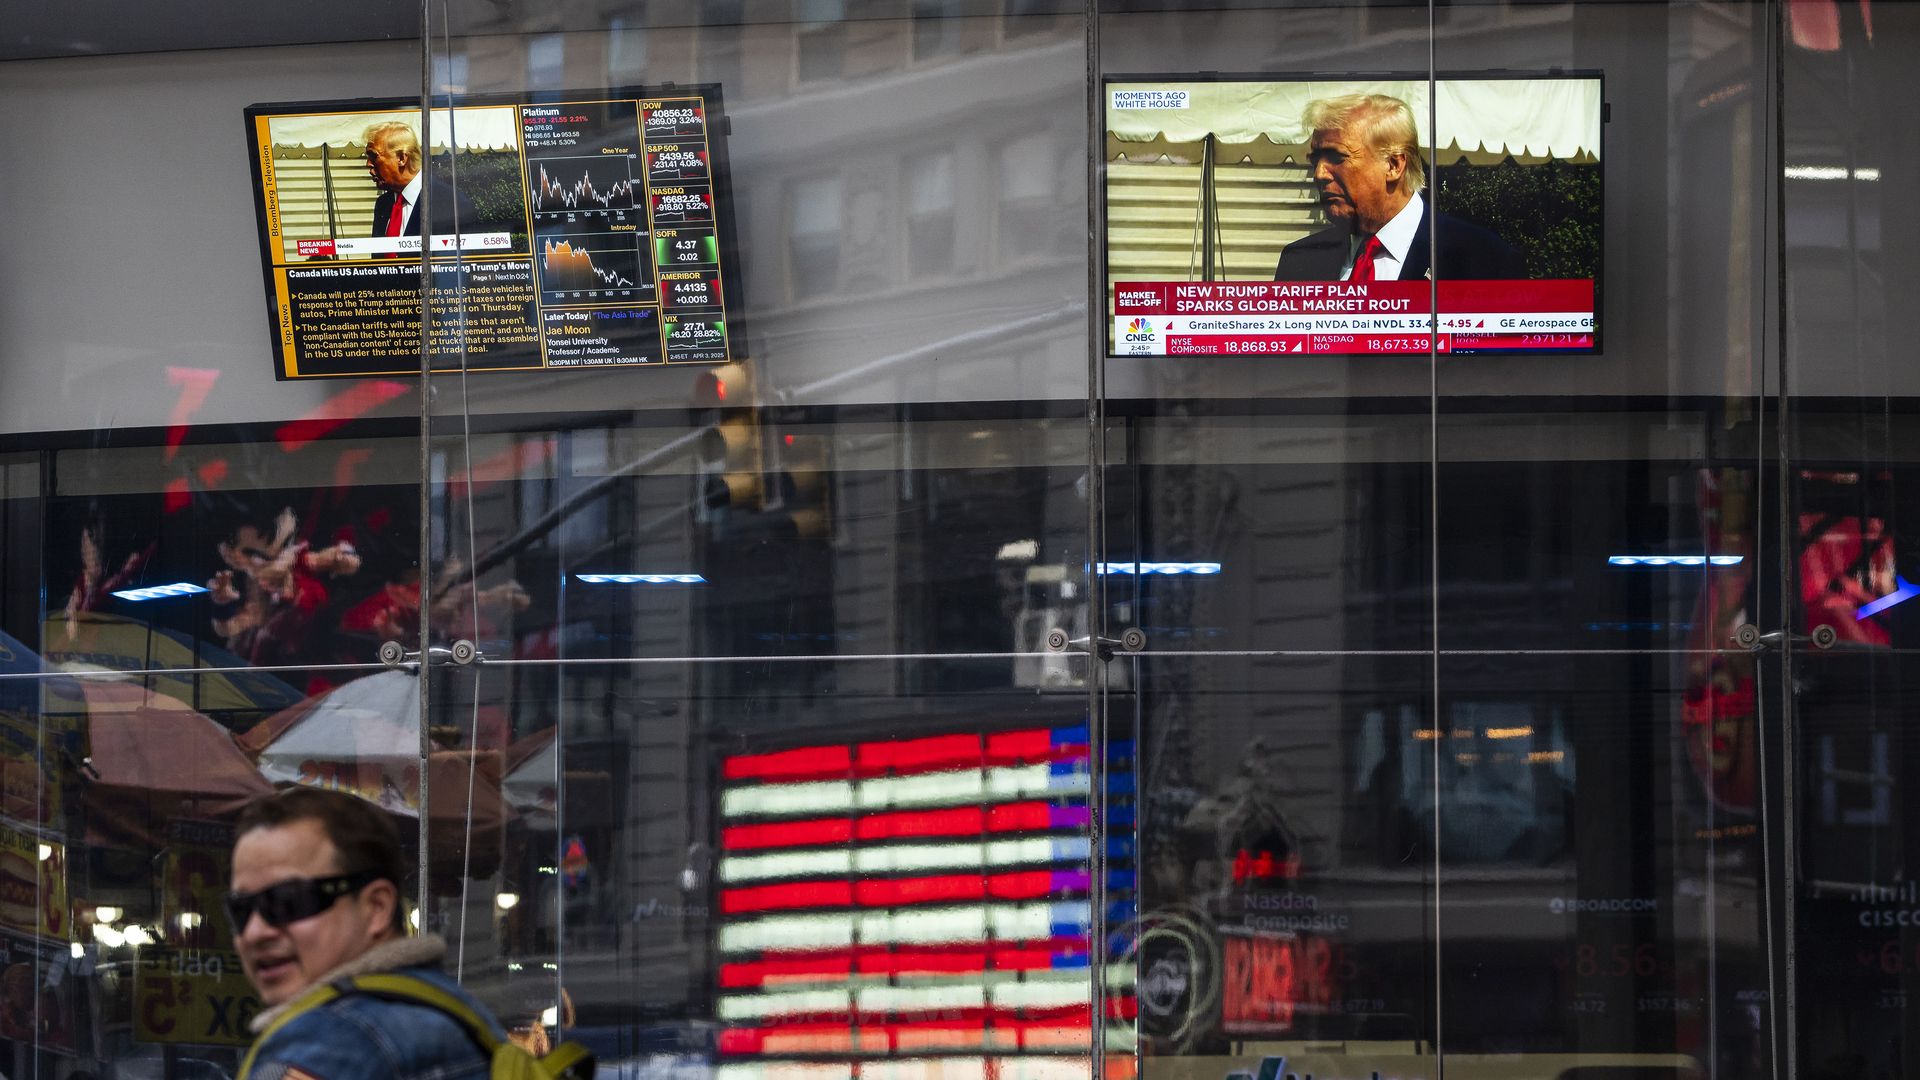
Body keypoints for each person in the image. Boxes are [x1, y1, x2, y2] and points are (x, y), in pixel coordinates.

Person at [229, 786, 503, 1080]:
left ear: (376, 907)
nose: (255, 932)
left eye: (288, 901)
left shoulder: (329, 1040)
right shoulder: (454, 1012)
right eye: (240, 909)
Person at [1274, 93, 1524, 282]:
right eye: (1315, 160)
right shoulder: (1300, 261)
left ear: (1394, 165)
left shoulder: (1482, 259)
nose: (1319, 174)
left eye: (1337, 158)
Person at [362, 121, 476, 245]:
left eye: (374, 156)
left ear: (401, 158)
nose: (368, 163)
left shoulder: (451, 204)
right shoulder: (383, 204)